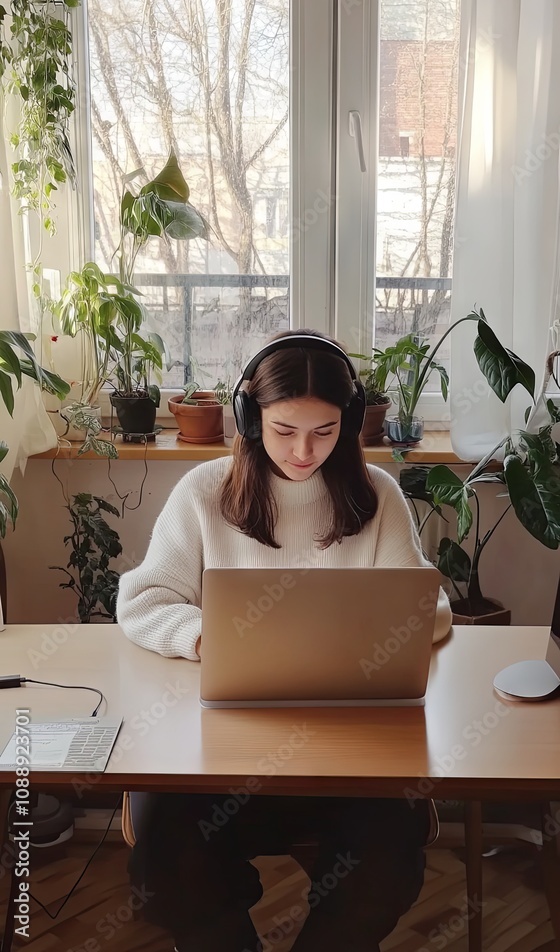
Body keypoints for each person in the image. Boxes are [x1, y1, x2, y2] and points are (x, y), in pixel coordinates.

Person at [117, 329, 452, 952]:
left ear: (349, 423)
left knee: (387, 857)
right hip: (221, 748)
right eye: (283, 431)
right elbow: (141, 602)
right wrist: (202, 637)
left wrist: (361, 632)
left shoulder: (377, 495)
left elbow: (430, 609)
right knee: (166, 858)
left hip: (351, 746)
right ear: (249, 419)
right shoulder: (203, 493)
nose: (304, 452)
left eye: (324, 432)